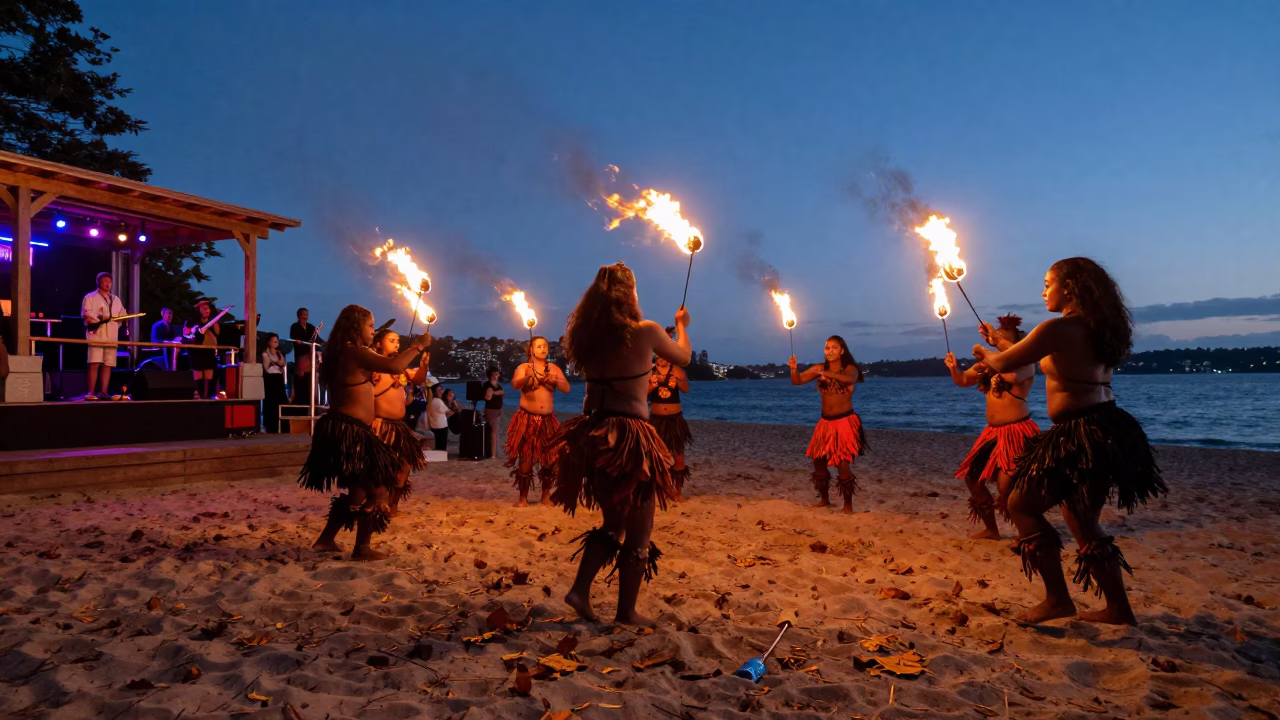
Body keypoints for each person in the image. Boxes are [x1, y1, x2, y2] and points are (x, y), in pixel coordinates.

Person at [972, 258, 1166, 625]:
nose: (1043, 290)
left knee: (1021, 504)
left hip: (1080, 433)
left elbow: (1004, 362)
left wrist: (985, 352)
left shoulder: (1057, 328)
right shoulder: (1096, 327)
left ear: (1071, 287)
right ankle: (1118, 610)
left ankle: (1058, 600)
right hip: (1107, 428)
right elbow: (1020, 351)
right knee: (1081, 519)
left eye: (1048, 283)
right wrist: (996, 340)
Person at [548, 262, 691, 626]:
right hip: (628, 439)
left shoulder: (590, 337)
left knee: (614, 523)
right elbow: (684, 358)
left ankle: (581, 589)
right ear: (630, 293)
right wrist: (681, 327)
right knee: (639, 529)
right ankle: (626, 612)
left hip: (593, 435)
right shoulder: (644, 331)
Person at [299, 304, 430, 561]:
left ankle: (326, 540)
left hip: (346, 429)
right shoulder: (354, 352)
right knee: (379, 489)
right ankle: (362, 549)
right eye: (370, 325)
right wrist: (417, 346)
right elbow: (394, 366)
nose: (373, 329)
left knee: (357, 491)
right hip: (350, 431)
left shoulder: (344, 352)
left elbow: (396, 370)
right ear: (355, 327)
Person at [943, 314, 1039, 540]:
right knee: (972, 478)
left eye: (1001, 338)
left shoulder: (1025, 366)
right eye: (995, 337)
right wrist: (954, 368)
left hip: (1016, 432)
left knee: (1007, 486)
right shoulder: (987, 365)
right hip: (992, 433)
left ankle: (1027, 531)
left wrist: (989, 350)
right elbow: (963, 380)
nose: (995, 340)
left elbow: (1011, 373)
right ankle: (991, 530)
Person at [789, 336, 867, 513]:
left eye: (833, 347)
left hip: (844, 421)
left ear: (842, 351)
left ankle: (848, 505)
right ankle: (825, 500)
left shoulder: (850, 369)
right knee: (818, 461)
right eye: (826, 348)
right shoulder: (819, 369)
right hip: (825, 422)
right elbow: (797, 381)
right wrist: (794, 369)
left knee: (842, 463)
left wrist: (826, 374)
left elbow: (848, 380)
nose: (829, 351)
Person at [370, 328, 428, 515]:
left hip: (398, 426)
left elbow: (419, 379)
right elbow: (373, 393)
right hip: (379, 425)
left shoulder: (400, 368)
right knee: (382, 467)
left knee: (404, 465)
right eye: (391, 340)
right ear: (379, 343)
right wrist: (392, 379)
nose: (396, 344)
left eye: (397, 340)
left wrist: (424, 366)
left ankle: (393, 504)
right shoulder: (374, 366)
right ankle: (377, 503)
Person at [507, 336, 570, 506]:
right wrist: (528, 379)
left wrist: (554, 380)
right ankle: (522, 498)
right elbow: (515, 384)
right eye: (539, 346)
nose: (543, 349)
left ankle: (545, 496)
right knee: (526, 460)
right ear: (531, 350)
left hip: (548, 421)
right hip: (527, 420)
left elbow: (566, 388)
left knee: (550, 459)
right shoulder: (524, 367)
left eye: (545, 346)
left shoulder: (554, 368)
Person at [648, 327, 693, 502]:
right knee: (657, 458)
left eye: (664, 355)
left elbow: (686, 390)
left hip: (675, 420)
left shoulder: (678, 370)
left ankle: (678, 492)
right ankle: (662, 489)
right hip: (657, 420)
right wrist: (652, 385)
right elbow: (643, 394)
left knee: (678, 458)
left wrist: (679, 380)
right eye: (659, 355)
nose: (661, 358)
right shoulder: (650, 373)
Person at [81, 272, 126, 400]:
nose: (107, 284)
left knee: (108, 364)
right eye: (105, 281)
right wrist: (101, 320)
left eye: (109, 281)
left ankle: (103, 392)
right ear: (99, 282)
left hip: (111, 336)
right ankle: (90, 392)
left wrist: (117, 323)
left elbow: (122, 314)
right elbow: (87, 314)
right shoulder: (90, 297)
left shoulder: (115, 299)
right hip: (97, 335)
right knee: (94, 363)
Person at [184, 299, 220, 399]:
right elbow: (185, 335)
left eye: (207, 308)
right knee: (197, 376)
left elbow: (217, 333)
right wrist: (193, 330)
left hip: (209, 352)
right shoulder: (190, 322)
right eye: (203, 308)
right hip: (196, 352)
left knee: (208, 376)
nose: (206, 310)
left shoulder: (213, 323)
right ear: (198, 310)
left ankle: (207, 397)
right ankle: (197, 395)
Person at [262, 333, 288, 433]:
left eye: (277, 340)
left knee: (281, 402)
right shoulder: (265, 353)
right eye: (273, 340)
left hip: (278, 378)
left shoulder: (279, 353)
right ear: (268, 342)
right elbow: (266, 368)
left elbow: (283, 363)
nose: (276, 342)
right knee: (271, 403)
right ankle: (270, 427)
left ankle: (282, 426)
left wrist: (278, 363)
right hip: (270, 379)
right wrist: (277, 363)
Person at [481, 367, 505, 457]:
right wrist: (496, 392)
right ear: (491, 376)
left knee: (495, 433)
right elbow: (488, 397)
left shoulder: (497, 385)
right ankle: (493, 454)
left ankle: (493, 452)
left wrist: (496, 392)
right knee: (493, 433)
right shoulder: (488, 385)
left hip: (498, 410)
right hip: (492, 411)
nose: (497, 376)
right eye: (495, 374)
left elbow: (502, 392)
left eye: (497, 374)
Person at [428, 386, 459, 451]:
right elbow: (448, 413)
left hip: (438, 425)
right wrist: (455, 408)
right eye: (439, 390)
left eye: (441, 390)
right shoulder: (438, 401)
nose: (441, 392)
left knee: (439, 446)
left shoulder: (434, 400)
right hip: (440, 427)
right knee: (441, 447)